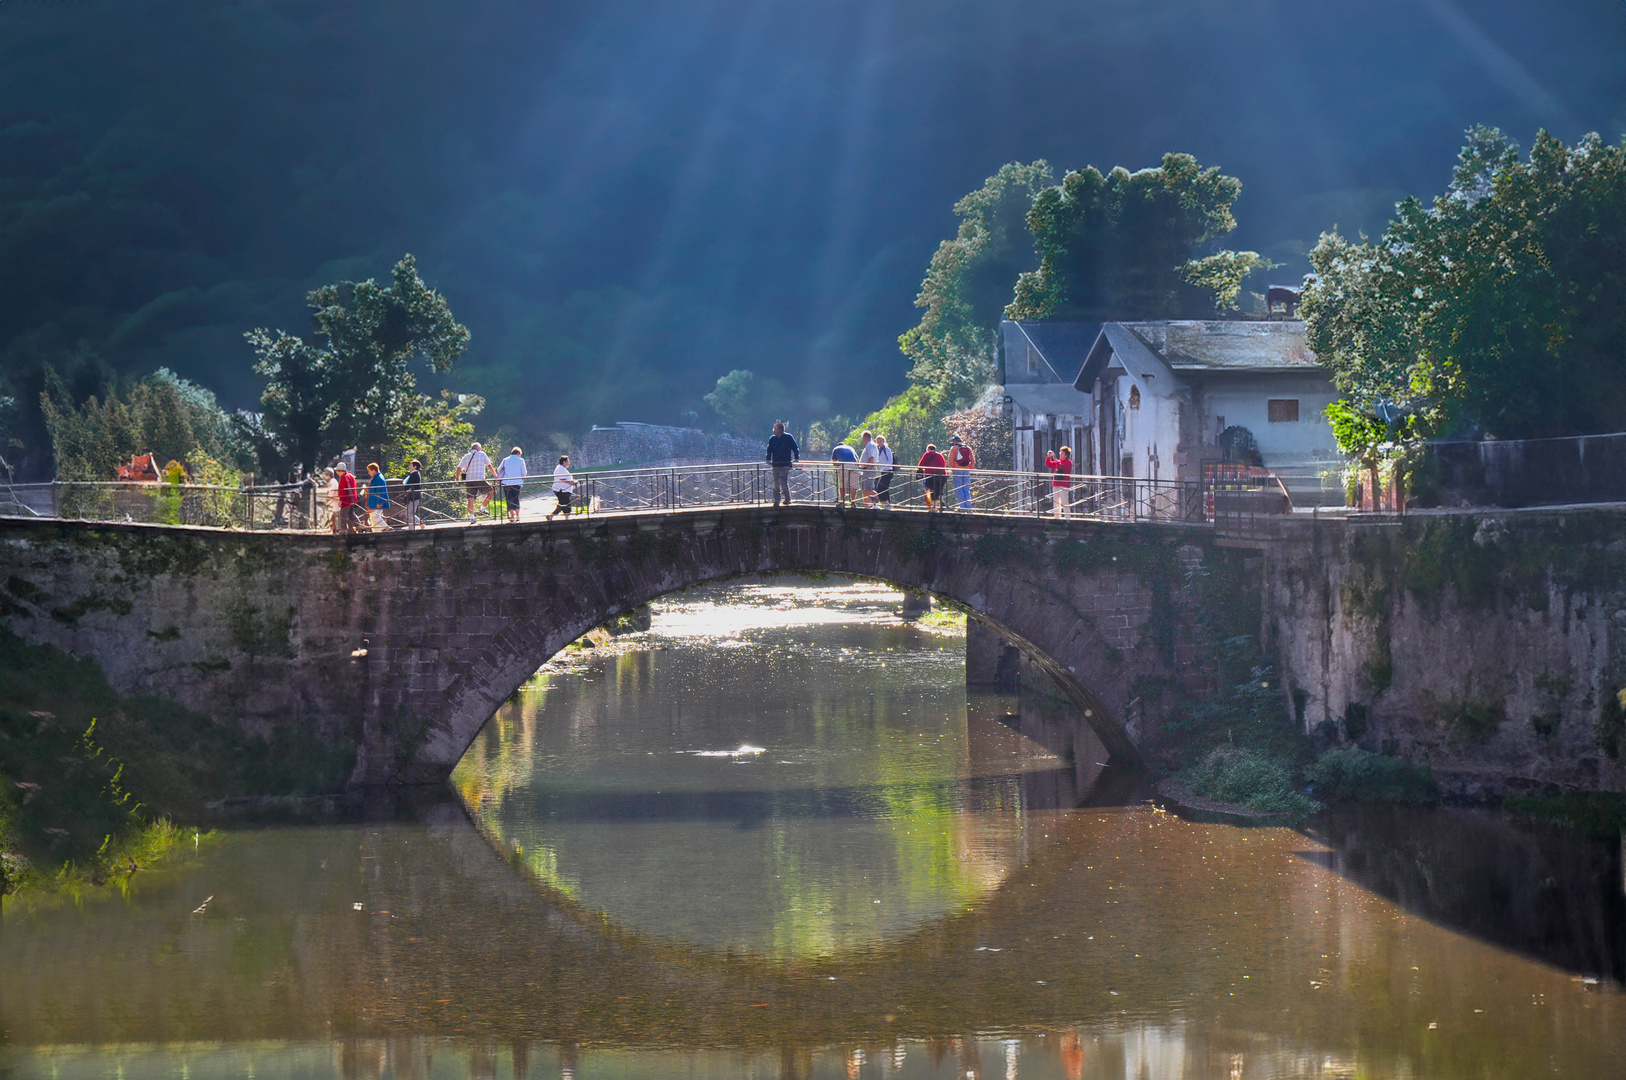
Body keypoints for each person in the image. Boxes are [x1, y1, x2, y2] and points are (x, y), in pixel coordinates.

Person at [458, 442, 495, 522]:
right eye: (480, 448)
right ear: (478, 448)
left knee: (470, 499)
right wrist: (496, 475)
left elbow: (459, 468)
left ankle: (472, 518)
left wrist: (457, 478)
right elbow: (489, 465)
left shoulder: (466, 456)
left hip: (469, 480)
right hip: (479, 479)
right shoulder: (481, 454)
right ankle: (482, 509)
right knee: (491, 492)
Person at [765, 421, 799, 507]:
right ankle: (777, 500)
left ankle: (787, 499)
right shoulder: (772, 439)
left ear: (780, 429)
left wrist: (796, 458)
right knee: (776, 483)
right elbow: (769, 450)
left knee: (782, 480)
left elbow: (795, 448)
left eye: (775, 429)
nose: (774, 430)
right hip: (776, 464)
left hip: (785, 463)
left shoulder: (788, 437)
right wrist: (768, 459)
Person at [496, 446, 526, 523]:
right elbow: (524, 473)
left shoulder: (505, 460)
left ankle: (512, 516)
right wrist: (520, 477)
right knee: (516, 498)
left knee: (509, 499)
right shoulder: (521, 460)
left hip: (507, 483)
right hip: (517, 483)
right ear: (518, 453)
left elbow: (499, 469)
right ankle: (518, 516)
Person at [1045, 445, 1074, 518]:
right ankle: (1057, 517)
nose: (1060, 454)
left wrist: (1055, 459)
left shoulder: (1068, 462)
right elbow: (1048, 464)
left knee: (1064, 501)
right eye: (1060, 452)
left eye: (1062, 453)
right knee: (1056, 501)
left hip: (1063, 484)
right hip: (1056, 483)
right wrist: (1048, 457)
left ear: (1066, 455)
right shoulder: (1058, 462)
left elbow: (1062, 467)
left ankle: (1067, 518)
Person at [830, 439, 861, 507]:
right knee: (854, 485)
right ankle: (853, 502)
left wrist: (840, 463)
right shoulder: (851, 448)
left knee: (843, 484)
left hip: (844, 465)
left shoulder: (836, 449)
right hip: (854, 465)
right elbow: (858, 461)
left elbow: (834, 463)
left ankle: (842, 501)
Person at [917, 443, 948, 510]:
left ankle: (934, 507)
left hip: (931, 476)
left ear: (928, 449)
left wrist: (919, 471)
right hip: (942, 475)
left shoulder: (927, 454)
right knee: (939, 489)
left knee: (933, 490)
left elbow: (921, 464)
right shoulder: (940, 455)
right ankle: (941, 500)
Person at [948, 433, 975, 510]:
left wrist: (953, 469)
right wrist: (970, 468)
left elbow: (951, 460)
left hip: (957, 471)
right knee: (966, 489)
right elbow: (973, 459)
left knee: (959, 489)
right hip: (966, 471)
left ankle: (962, 507)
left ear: (954, 442)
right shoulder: (968, 448)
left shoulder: (954, 448)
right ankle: (969, 508)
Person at [857, 430, 881, 507]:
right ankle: (867, 506)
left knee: (867, 489)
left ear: (865, 438)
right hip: (867, 469)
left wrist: (867, 468)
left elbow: (871, 458)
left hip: (869, 469)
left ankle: (879, 500)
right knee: (864, 490)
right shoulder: (871, 445)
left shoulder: (870, 445)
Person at [365, 462, 391, 530]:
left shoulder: (379, 478)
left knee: (375, 517)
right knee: (373, 518)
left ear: (373, 470)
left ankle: (387, 528)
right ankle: (376, 532)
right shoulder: (376, 477)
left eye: (369, 471)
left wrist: (379, 502)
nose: (368, 473)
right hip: (373, 501)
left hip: (376, 501)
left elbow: (381, 490)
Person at [335, 462, 359, 533]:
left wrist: (341, 500)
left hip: (347, 500)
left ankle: (343, 529)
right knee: (351, 514)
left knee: (343, 515)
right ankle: (359, 525)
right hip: (352, 498)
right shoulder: (350, 475)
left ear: (340, 471)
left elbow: (343, 490)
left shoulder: (343, 477)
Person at [872, 435, 895, 508]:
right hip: (883, 471)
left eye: (881, 441)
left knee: (879, 488)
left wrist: (885, 467)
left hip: (888, 471)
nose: (879, 442)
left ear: (884, 441)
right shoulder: (879, 450)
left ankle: (885, 503)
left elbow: (890, 461)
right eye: (878, 441)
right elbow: (879, 461)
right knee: (885, 488)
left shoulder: (887, 449)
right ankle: (887, 504)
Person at [402, 459, 423, 529]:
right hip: (415, 496)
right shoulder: (415, 473)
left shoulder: (414, 474)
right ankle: (415, 525)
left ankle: (414, 527)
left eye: (410, 465)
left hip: (414, 496)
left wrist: (405, 487)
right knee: (409, 513)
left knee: (409, 513)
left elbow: (409, 484)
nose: (409, 466)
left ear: (415, 466)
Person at [326, 467, 341, 534]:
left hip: (335, 503)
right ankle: (333, 529)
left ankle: (335, 530)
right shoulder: (333, 481)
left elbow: (332, 493)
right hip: (334, 502)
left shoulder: (332, 482)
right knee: (333, 517)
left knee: (335, 516)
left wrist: (328, 500)